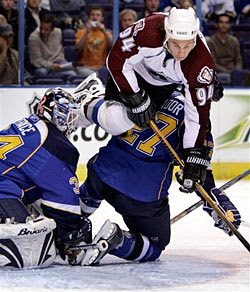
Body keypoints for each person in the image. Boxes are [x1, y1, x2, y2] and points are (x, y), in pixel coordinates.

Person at [70, 74, 241, 266]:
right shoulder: (196, 123)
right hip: (141, 194)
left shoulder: (152, 85)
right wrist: (221, 206)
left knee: (94, 186)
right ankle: (118, 241)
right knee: (155, 244)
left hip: (103, 169)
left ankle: (69, 226)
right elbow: (201, 175)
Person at [105, 7, 222, 194]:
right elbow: (116, 59)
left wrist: (193, 153)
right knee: (111, 120)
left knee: (128, 126)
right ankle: (88, 99)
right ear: (166, 35)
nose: (181, 52)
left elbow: (197, 117)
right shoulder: (148, 31)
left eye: (187, 45)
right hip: (132, 73)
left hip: (164, 85)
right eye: (176, 44)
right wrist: (134, 97)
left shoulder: (201, 62)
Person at [0, 87, 92, 268]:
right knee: (31, 246)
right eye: (69, 114)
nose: (72, 121)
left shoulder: (30, 123)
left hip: (5, 184)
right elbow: (64, 205)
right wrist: (72, 232)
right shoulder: (55, 144)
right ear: (58, 114)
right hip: (3, 191)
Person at [28, 13, 77, 81]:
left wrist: (59, 63)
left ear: (52, 29)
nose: (42, 31)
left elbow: (60, 51)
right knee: (41, 72)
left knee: (72, 75)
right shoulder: (33, 37)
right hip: (43, 65)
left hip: (59, 63)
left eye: (46, 29)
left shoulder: (58, 32)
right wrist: (50, 66)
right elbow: (36, 60)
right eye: (41, 28)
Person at [75, 5, 113, 78]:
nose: (95, 17)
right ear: (89, 17)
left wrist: (104, 31)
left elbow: (112, 47)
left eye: (98, 15)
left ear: (102, 18)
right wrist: (87, 32)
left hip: (101, 67)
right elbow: (78, 49)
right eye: (92, 15)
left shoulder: (107, 33)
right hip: (85, 67)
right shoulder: (81, 32)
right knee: (95, 76)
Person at [207, 14, 243, 85]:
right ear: (216, 24)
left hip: (233, 71)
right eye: (221, 22)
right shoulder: (211, 42)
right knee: (223, 77)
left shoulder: (234, 40)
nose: (224, 25)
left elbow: (238, 60)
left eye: (226, 23)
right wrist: (228, 72)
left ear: (229, 25)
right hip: (218, 72)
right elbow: (213, 63)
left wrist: (236, 71)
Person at [0, 20, 18, 84]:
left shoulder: (15, 54)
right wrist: (3, 51)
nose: (8, 39)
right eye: (5, 37)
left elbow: (22, 76)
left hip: (15, 90)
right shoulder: (2, 54)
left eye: (11, 36)